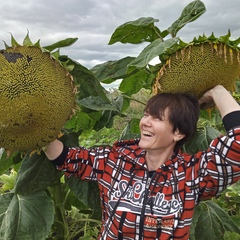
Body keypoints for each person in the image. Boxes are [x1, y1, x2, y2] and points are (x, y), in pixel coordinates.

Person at [45, 85, 240, 240]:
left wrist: (217, 91)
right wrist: (38, 130)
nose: (145, 122)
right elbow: (67, 159)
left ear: (178, 133)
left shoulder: (191, 174)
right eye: (146, 114)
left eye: (157, 118)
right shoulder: (116, 161)